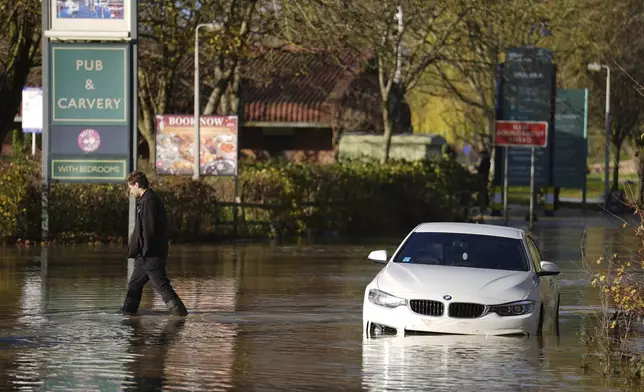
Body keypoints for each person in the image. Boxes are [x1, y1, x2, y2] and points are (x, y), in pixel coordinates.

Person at [119, 170, 188, 317]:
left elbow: (149, 230)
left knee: (161, 285)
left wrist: (145, 250)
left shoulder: (149, 201)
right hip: (145, 255)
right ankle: (127, 314)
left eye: (130, 188)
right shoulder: (146, 201)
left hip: (151, 254)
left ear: (137, 184)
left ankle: (179, 314)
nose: (130, 192)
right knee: (134, 284)